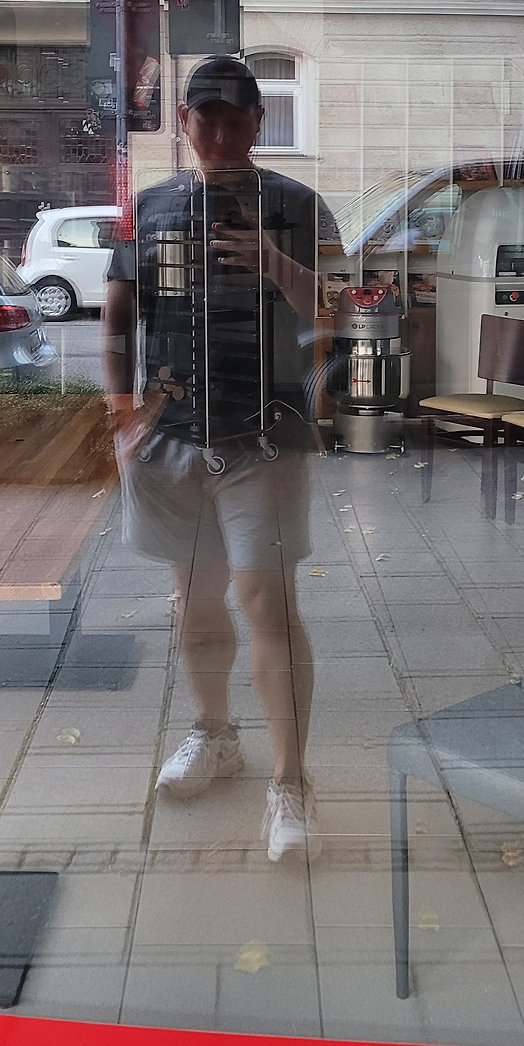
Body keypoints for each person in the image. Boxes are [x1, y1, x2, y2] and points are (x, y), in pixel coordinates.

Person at [102, 56, 333, 862]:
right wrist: (119, 413)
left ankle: (291, 782)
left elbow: (336, 313)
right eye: (209, 118)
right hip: (169, 435)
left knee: (268, 604)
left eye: (239, 120)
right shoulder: (149, 206)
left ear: (259, 123)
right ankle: (215, 733)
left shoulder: (298, 204)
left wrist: (272, 259)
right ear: (186, 122)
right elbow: (119, 313)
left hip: (264, 434)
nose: (224, 135)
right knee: (194, 601)